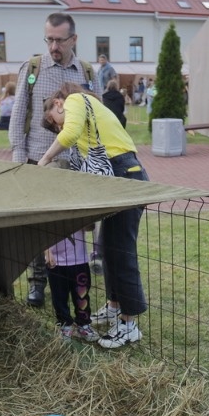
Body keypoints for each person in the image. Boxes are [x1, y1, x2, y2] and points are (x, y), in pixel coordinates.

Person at [38, 82, 147, 349]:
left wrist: (43, 161)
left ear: (58, 104)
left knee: (121, 252)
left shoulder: (74, 99)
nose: (59, 129)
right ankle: (113, 307)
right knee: (108, 249)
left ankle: (129, 324)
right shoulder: (89, 109)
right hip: (118, 174)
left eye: (55, 122)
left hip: (123, 174)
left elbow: (70, 133)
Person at [8, 12, 101, 307]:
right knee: (38, 225)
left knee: (71, 225)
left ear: (74, 39)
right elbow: (18, 114)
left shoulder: (86, 72)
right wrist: (20, 160)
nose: (53, 46)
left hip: (75, 165)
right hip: (38, 160)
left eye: (59, 40)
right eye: (49, 39)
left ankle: (73, 279)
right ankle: (37, 284)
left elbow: (96, 118)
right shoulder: (32, 68)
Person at [45, 229, 100, 343]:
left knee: (81, 296)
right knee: (59, 296)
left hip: (79, 260)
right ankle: (65, 325)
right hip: (56, 262)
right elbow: (43, 228)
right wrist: (47, 251)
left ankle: (83, 324)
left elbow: (90, 227)